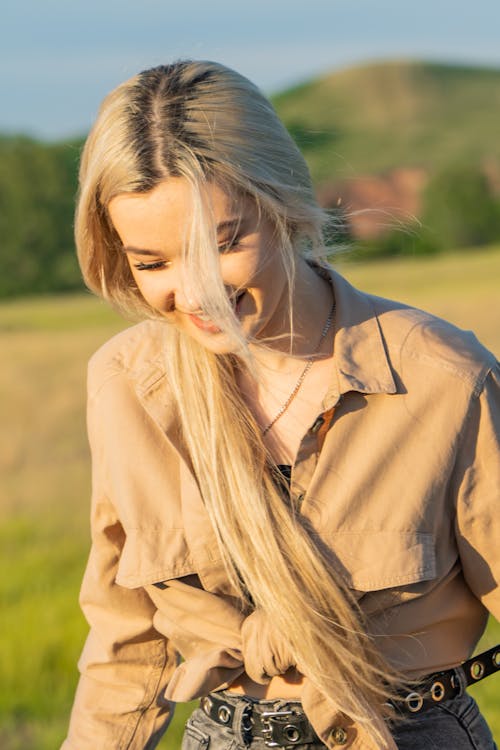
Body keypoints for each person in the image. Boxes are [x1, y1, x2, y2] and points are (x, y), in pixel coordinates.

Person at [61, 60, 499, 750]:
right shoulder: (124, 385)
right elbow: (126, 643)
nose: (197, 291)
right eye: (153, 264)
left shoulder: (443, 377)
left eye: (224, 242)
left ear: (286, 204)